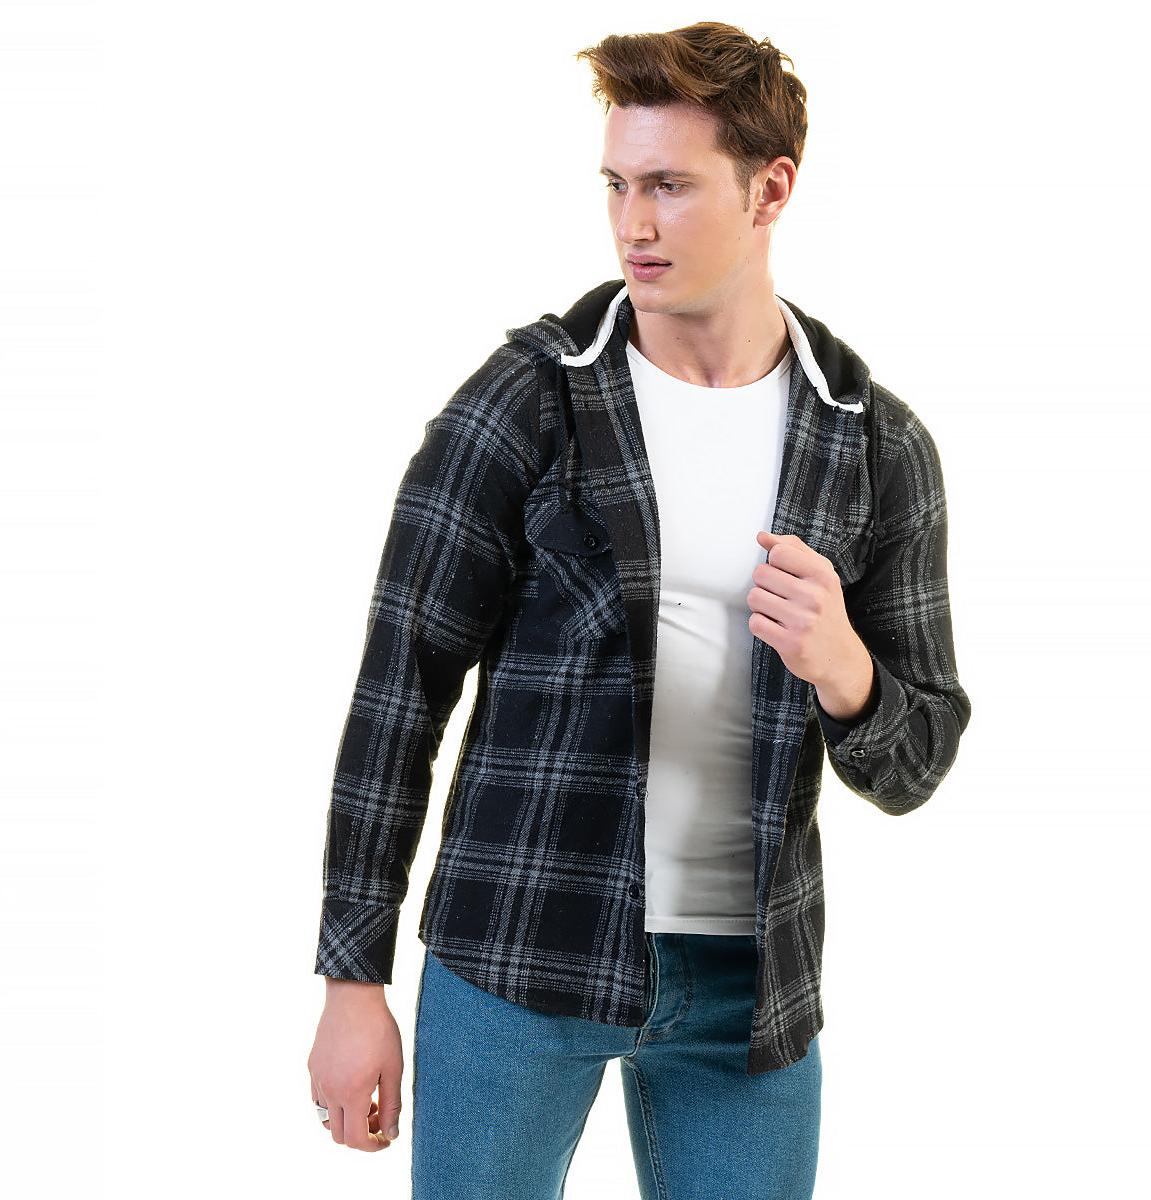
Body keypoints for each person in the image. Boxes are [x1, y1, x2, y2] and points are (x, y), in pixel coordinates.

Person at [307, 20, 969, 1200]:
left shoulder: (871, 444)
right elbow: (397, 692)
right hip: (520, 950)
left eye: (670, 185)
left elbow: (915, 762)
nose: (633, 224)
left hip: (748, 992)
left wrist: (846, 670)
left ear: (772, 189)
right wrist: (352, 980)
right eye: (616, 184)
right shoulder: (525, 403)